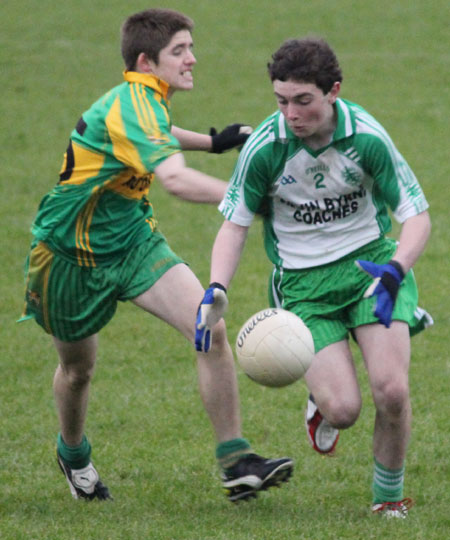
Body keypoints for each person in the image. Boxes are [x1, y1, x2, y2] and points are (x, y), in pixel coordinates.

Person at [20, 8, 294, 503]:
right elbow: (174, 179)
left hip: (132, 238)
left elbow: (158, 133)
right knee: (79, 370)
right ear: (147, 61)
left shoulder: (148, 98)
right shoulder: (133, 104)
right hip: (68, 255)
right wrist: (246, 199)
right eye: (180, 51)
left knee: (208, 325)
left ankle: (236, 462)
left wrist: (213, 142)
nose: (193, 58)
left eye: (190, 47)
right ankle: (73, 451)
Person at [195, 37, 432, 518]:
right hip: (303, 287)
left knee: (392, 390)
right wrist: (217, 287)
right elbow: (234, 226)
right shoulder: (265, 148)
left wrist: (396, 270)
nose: (291, 113)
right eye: (281, 101)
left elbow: (418, 216)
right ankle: (321, 402)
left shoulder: (366, 136)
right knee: (345, 410)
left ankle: (388, 500)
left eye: (303, 101)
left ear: (333, 92)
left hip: (371, 270)